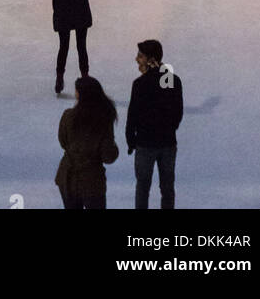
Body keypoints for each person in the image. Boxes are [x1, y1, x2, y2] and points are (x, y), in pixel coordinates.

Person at [11, 0, 102, 94]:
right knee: (82, 46)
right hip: (80, 6)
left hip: (63, 8)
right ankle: (85, 77)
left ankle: (59, 78)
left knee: (63, 46)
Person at [125, 39, 184, 210]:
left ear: (150, 59)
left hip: (145, 144)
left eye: (140, 56)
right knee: (167, 188)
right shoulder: (173, 81)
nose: (137, 59)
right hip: (168, 143)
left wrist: (131, 140)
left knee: (142, 188)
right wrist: (168, 130)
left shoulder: (140, 84)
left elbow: (132, 115)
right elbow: (178, 113)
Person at [56, 76, 119, 210]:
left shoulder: (68, 116)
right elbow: (108, 155)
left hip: (68, 178)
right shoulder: (103, 120)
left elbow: (63, 141)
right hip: (92, 180)